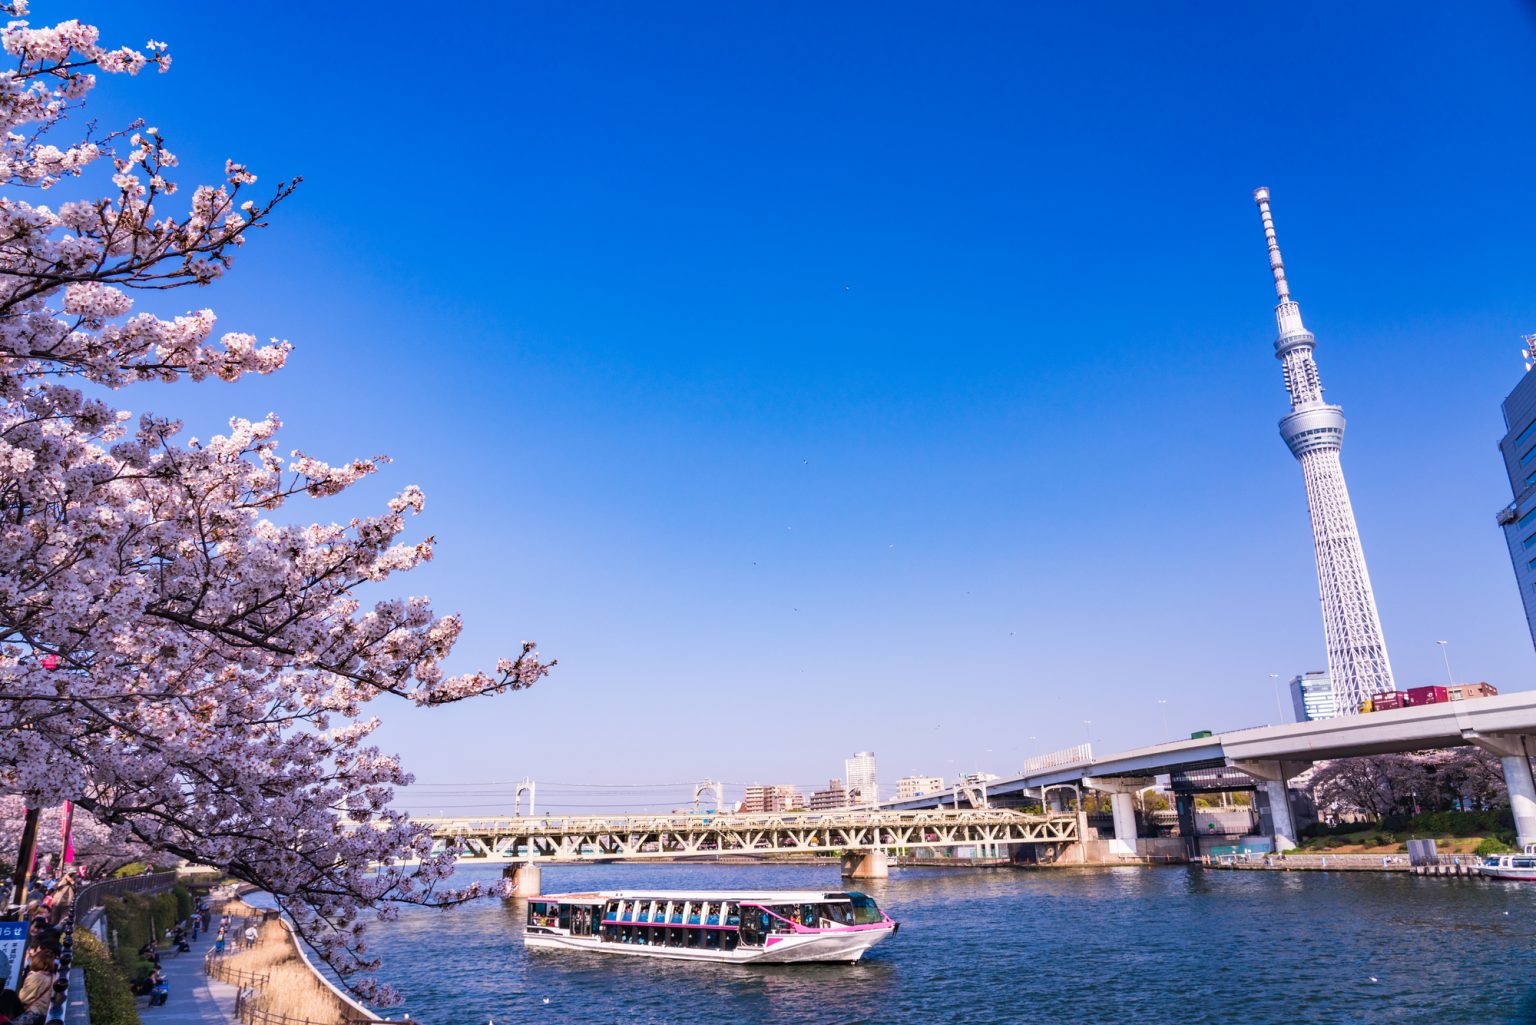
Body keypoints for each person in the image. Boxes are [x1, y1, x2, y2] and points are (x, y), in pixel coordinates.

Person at [12, 950, 56, 1025]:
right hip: (45, 1014)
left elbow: (22, 998)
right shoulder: (53, 977)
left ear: (37, 961)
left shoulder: (35, 977)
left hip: (32, 1013)